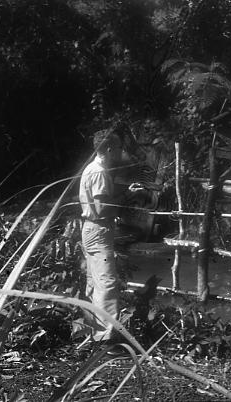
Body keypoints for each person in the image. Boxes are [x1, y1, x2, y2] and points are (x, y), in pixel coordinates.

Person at [79, 130, 145, 346]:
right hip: (99, 231)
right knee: (107, 283)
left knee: (94, 282)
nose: (120, 152)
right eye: (118, 148)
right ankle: (105, 341)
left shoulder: (92, 169)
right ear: (109, 149)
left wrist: (124, 195)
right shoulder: (99, 172)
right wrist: (127, 196)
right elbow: (102, 209)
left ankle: (92, 333)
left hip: (92, 230)